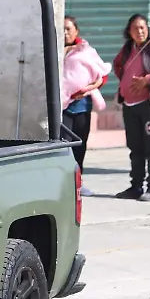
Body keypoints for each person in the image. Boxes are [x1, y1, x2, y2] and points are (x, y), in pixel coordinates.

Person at [112, 14, 150, 202]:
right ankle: (136, 186)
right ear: (129, 31)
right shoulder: (127, 49)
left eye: (142, 27)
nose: (139, 31)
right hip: (130, 105)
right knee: (135, 147)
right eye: (135, 28)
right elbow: (118, 66)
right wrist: (125, 85)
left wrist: (147, 80)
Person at [61, 16, 109, 194]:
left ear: (76, 31)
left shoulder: (86, 50)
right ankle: (64, 185)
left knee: (80, 146)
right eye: (62, 29)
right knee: (64, 146)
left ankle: (78, 184)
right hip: (62, 107)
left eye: (69, 29)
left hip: (81, 106)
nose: (66, 32)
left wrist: (90, 87)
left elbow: (102, 75)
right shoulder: (54, 48)